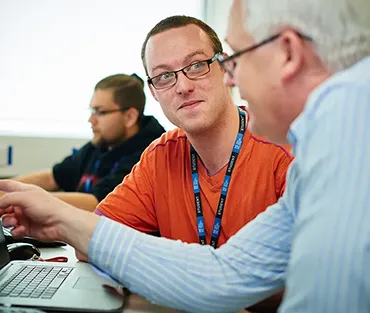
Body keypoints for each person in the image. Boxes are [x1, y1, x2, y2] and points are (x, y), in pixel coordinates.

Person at [2, 0, 369, 311]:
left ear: (287, 53)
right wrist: (60, 218)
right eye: (163, 77)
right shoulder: (163, 154)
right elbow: (225, 274)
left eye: (230, 58)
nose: (232, 77)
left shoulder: (327, 144)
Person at [7, 73, 165, 211]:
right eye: (91, 111)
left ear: (130, 117)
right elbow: (53, 177)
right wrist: (7, 189)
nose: (91, 120)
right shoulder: (101, 145)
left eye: (100, 112)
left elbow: (98, 203)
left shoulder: (151, 153)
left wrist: (22, 199)